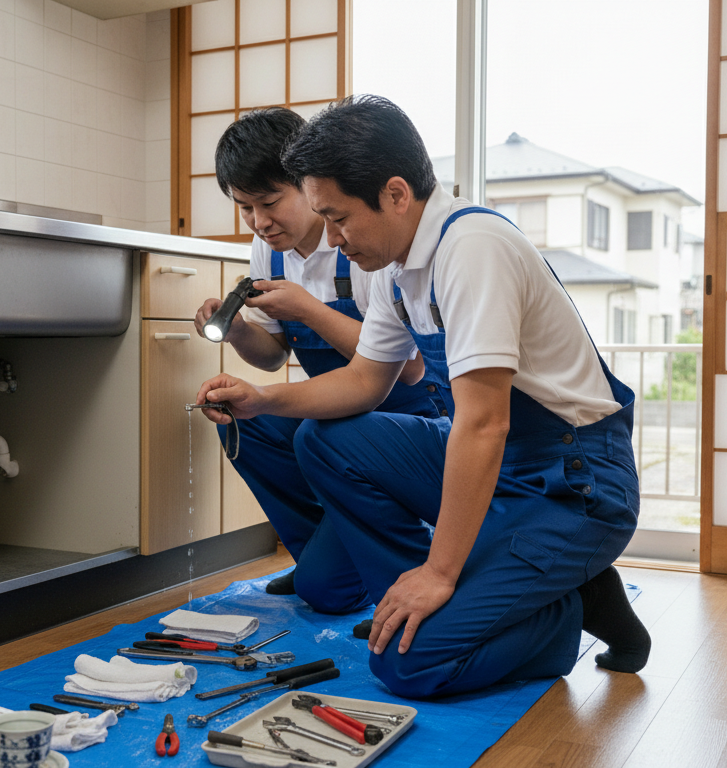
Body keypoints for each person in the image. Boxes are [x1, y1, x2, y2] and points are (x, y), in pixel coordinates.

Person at [194, 96, 651, 699]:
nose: (330, 237)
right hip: (504, 460)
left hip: (574, 480)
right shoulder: (393, 264)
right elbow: (363, 382)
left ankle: (568, 608)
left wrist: (441, 571)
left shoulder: (472, 248)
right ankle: (425, 601)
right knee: (329, 440)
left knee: (408, 665)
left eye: (338, 219)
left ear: (395, 194)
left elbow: (484, 425)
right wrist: (262, 400)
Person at [193, 108, 444, 614]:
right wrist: (239, 329)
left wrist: (306, 307)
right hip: (333, 413)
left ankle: (387, 552)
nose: (260, 222)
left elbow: (409, 367)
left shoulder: (365, 243)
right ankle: (317, 556)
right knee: (247, 424)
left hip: (403, 417)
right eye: (244, 207)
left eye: (269, 202)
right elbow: (270, 359)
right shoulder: (268, 252)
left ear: (308, 185)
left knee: (328, 591)